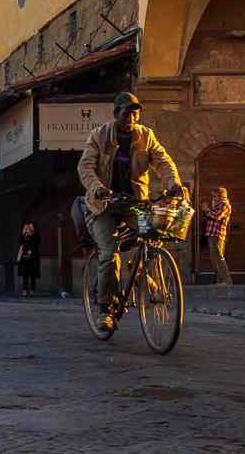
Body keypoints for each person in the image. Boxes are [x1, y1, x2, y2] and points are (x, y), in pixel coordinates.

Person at [78, 91, 182, 331]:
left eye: (136, 113)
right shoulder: (99, 136)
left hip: (134, 204)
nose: (132, 117)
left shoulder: (146, 136)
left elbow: (163, 162)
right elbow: (85, 168)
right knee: (109, 253)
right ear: (116, 114)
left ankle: (141, 272)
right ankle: (105, 309)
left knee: (154, 235)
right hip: (103, 207)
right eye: (127, 112)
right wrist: (98, 189)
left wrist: (173, 184)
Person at [202, 187, 233, 286]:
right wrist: (206, 210)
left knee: (219, 258)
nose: (213, 198)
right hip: (212, 234)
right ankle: (220, 280)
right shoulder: (217, 205)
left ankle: (227, 280)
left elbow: (217, 216)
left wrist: (207, 210)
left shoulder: (224, 205)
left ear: (221, 196)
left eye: (215, 196)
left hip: (217, 235)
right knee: (214, 258)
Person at [16, 222, 41, 296]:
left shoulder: (36, 235)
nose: (29, 228)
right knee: (25, 275)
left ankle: (32, 290)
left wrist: (30, 233)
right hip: (25, 258)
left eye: (31, 227)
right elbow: (20, 242)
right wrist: (23, 234)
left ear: (34, 228)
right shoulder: (25, 235)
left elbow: (36, 243)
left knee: (32, 275)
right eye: (28, 227)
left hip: (33, 258)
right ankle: (24, 290)